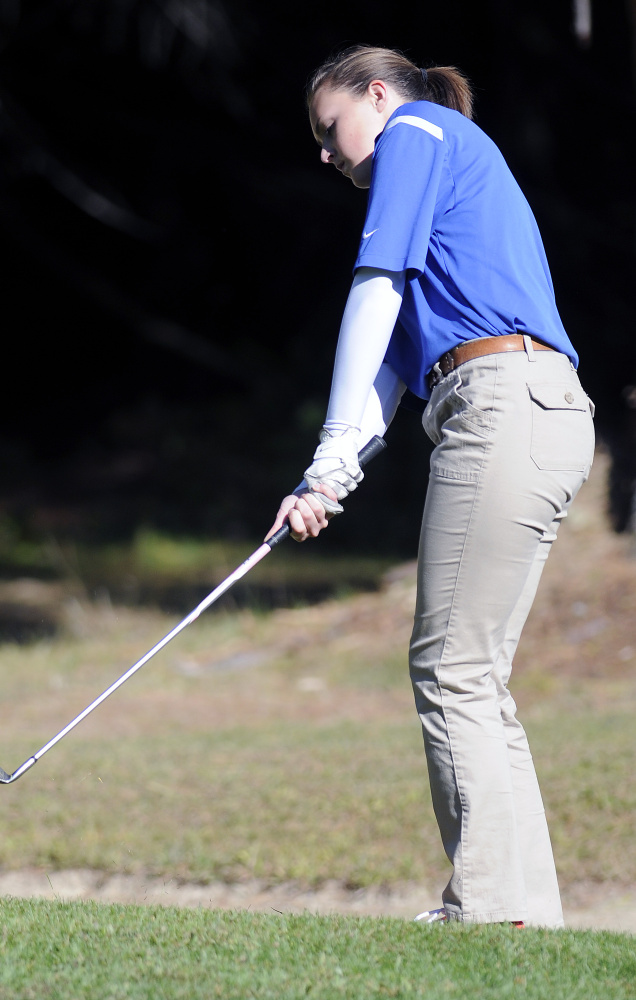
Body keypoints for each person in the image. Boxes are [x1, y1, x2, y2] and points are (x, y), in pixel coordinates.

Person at [268, 45, 595, 927]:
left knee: (449, 666)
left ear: (378, 97)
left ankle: (484, 912)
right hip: (522, 404)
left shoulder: (417, 130)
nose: (327, 154)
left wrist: (334, 448)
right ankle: (528, 918)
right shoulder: (427, 193)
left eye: (331, 129)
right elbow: (386, 383)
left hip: (506, 401)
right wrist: (323, 478)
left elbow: (370, 292)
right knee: (475, 677)